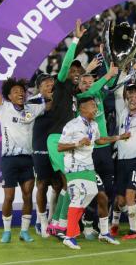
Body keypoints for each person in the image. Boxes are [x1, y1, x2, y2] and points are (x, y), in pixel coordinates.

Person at [0, 49, 45, 244]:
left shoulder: (33, 108)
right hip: (9, 159)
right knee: (10, 197)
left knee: (28, 195)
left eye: (22, 91)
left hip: (27, 159)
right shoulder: (3, 108)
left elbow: (51, 102)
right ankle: (6, 231)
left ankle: (24, 231)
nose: (20, 93)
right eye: (15, 92)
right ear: (9, 96)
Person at [58, 96, 130, 249]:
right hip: (75, 167)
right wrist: (78, 143)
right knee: (79, 197)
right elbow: (60, 146)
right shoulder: (71, 125)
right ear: (82, 109)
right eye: (92, 106)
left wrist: (119, 137)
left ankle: (103, 233)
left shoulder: (94, 125)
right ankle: (69, 235)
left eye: (95, 105)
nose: (95, 108)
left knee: (92, 194)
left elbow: (99, 140)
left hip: (89, 167)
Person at [46, 19, 86, 239]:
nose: (75, 72)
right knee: (71, 183)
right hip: (56, 140)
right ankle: (61, 225)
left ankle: (57, 224)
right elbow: (65, 67)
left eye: (78, 71)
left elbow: (85, 80)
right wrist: (76, 40)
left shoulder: (73, 92)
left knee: (66, 184)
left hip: (66, 141)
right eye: (73, 69)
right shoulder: (61, 83)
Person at [75, 55, 121, 244]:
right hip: (89, 152)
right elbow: (90, 90)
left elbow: (110, 84)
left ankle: (99, 224)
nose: (87, 85)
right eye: (83, 82)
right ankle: (86, 222)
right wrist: (105, 74)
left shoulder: (99, 96)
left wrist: (116, 69)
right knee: (92, 190)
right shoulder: (80, 99)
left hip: (105, 150)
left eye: (89, 82)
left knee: (108, 190)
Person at [112, 65, 136, 240]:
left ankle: (134, 231)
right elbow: (118, 92)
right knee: (120, 201)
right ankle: (133, 217)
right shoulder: (122, 112)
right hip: (121, 162)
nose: (133, 99)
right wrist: (125, 73)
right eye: (131, 96)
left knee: (129, 195)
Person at [30, 73, 61, 238]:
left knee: (58, 185)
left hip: (56, 149)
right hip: (40, 148)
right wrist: (50, 100)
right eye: (46, 84)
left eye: (52, 83)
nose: (50, 86)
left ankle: (52, 219)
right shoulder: (33, 101)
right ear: (39, 87)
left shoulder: (59, 100)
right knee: (42, 185)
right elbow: (45, 109)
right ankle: (41, 222)